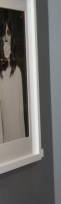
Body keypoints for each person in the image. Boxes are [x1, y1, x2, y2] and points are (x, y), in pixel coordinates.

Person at [0, 15, 26, 143]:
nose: (5, 38)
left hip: (15, 137)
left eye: (8, 33)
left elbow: (20, 111)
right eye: (2, 34)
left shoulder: (17, 71)